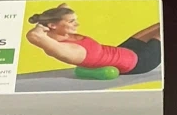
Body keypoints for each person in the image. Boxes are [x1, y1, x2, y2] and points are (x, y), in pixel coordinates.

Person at [25, 5, 162, 75]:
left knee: (160, 23)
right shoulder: (67, 50)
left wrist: (45, 20)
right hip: (140, 63)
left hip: (123, 51)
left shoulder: (60, 31)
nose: (77, 24)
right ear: (52, 25)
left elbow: (63, 6)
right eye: (72, 21)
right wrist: (40, 26)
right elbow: (34, 36)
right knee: (166, 28)